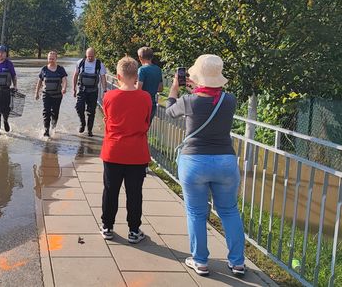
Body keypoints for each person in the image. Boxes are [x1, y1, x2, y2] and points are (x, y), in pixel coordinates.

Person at [165, 54, 245, 277]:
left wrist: (174, 88)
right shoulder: (229, 100)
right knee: (229, 211)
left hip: (195, 162)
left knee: (197, 213)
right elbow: (210, 100)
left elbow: (170, 110)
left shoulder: (189, 101)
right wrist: (199, 87)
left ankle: (200, 261)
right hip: (225, 162)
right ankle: (237, 262)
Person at [99, 56, 152, 243]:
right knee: (135, 192)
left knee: (110, 190)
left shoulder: (108, 97)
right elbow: (146, 122)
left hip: (113, 150)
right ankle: (134, 230)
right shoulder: (145, 97)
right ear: (136, 76)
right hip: (137, 153)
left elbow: (107, 119)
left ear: (119, 76)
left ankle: (107, 226)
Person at [73, 47, 107, 136]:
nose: (90, 58)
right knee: (79, 107)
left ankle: (89, 130)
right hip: (82, 90)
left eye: (92, 56)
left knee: (91, 111)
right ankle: (82, 123)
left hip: (93, 91)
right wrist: (74, 88)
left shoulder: (99, 64)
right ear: (86, 55)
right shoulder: (80, 62)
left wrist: (105, 90)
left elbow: (103, 77)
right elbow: (75, 75)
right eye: (88, 56)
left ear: (94, 55)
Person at [35, 51, 68, 137]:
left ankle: (53, 128)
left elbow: (64, 80)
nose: (51, 60)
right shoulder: (44, 69)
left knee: (55, 113)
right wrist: (37, 93)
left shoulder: (60, 69)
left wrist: (64, 88)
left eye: (53, 58)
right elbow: (39, 81)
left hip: (57, 95)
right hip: (46, 95)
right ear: (47, 59)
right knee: (46, 112)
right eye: (49, 58)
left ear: (56, 59)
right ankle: (46, 130)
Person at [136, 46, 163, 124]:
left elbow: (138, 88)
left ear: (140, 57)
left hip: (142, 103)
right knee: (146, 127)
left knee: (138, 126)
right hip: (152, 103)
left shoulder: (142, 70)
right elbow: (160, 88)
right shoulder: (158, 69)